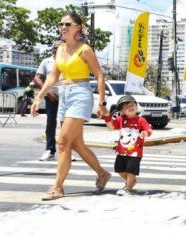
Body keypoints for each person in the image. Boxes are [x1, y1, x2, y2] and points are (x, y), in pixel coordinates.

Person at [31, 12, 112, 201]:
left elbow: (99, 75)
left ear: (78, 28)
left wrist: (102, 102)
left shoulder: (85, 50)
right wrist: (38, 98)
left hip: (80, 94)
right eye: (61, 24)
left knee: (63, 142)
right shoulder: (59, 49)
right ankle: (102, 174)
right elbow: (52, 78)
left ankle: (58, 187)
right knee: (76, 144)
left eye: (68, 24)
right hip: (64, 95)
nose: (63, 27)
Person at [103, 95, 152, 196]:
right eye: (126, 106)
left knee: (131, 170)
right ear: (122, 111)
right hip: (121, 150)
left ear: (137, 107)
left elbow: (148, 129)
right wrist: (107, 116)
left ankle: (128, 188)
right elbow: (112, 126)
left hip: (135, 152)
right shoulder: (121, 119)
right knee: (119, 169)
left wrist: (145, 133)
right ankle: (131, 181)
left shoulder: (141, 120)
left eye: (133, 104)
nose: (130, 107)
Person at [35, 41, 62, 161]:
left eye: (60, 47)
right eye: (55, 48)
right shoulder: (47, 61)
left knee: (67, 125)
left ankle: (67, 151)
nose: (57, 49)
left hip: (67, 96)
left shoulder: (69, 60)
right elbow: (37, 78)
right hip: (52, 96)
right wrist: (47, 92)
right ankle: (50, 150)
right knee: (51, 123)